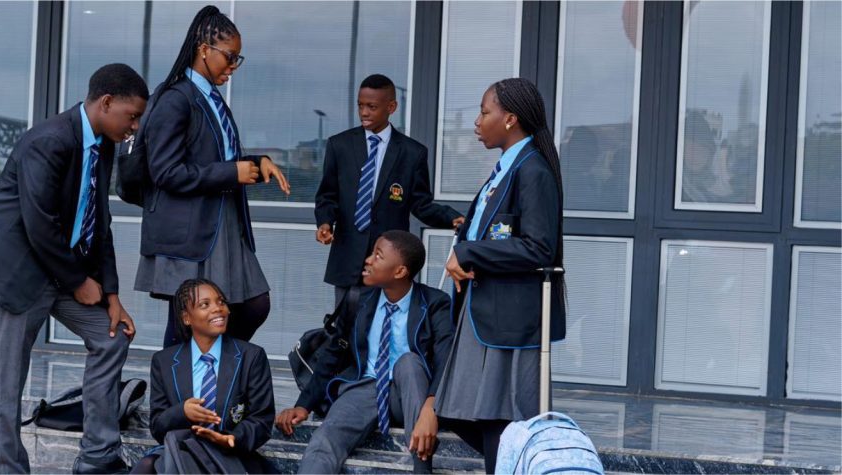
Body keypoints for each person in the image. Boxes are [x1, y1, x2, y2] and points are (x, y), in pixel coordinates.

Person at [0, 64, 147, 474]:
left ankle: (98, 458)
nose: (134, 126)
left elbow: (100, 224)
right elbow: (38, 223)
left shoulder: (104, 144)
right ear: (106, 103)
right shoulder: (49, 141)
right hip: (16, 273)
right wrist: (80, 281)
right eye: (131, 116)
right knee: (7, 384)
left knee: (111, 337)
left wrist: (112, 296)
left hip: (60, 270)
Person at [135, 5, 290, 348]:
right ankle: (173, 397)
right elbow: (165, 171)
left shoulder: (210, 99)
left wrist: (256, 162)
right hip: (191, 232)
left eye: (239, 58)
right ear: (205, 50)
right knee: (187, 320)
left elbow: (215, 159)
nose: (234, 66)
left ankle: (209, 374)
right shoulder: (175, 99)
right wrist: (231, 172)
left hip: (222, 225)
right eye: (230, 57)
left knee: (251, 305)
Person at [437, 77, 566, 474]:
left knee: (500, 419)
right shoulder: (505, 169)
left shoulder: (533, 171)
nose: (477, 121)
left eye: (484, 111)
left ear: (510, 119)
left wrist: (468, 252)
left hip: (509, 319)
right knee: (458, 410)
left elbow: (538, 248)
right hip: (483, 312)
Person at [276, 230, 454, 474]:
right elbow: (332, 355)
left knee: (409, 363)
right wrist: (304, 405)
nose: (368, 260)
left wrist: (430, 411)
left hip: (412, 394)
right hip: (365, 387)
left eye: (378, 256)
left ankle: (422, 469)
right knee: (323, 441)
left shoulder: (435, 303)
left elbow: (446, 359)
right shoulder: (358, 299)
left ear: (400, 271)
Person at [314, 74, 463, 303]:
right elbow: (328, 195)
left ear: (391, 107)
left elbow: (421, 203)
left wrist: (451, 218)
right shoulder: (339, 145)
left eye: (372, 107)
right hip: (347, 259)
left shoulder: (412, 153)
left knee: (380, 326)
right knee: (344, 331)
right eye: (361, 105)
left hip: (389, 262)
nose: (364, 113)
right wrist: (325, 222)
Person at [132, 279, 275, 474]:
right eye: (204, 304)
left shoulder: (251, 357)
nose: (218, 309)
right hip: (183, 449)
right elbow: (157, 426)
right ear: (186, 318)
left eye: (221, 302)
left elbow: (262, 419)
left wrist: (231, 439)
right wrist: (182, 412)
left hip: (231, 453)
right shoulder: (164, 362)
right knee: (147, 466)